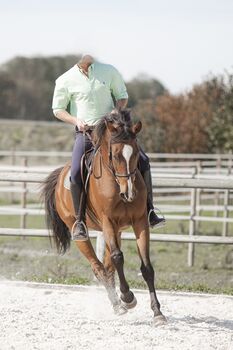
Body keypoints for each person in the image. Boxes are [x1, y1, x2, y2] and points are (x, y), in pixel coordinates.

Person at [52, 55, 165, 241]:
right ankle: (80, 221)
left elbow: (122, 96)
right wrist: (75, 120)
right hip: (86, 132)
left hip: (113, 131)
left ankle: (150, 210)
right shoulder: (65, 79)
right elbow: (58, 109)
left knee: (143, 160)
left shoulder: (109, 70)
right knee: (75, 171)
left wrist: (116, 110)